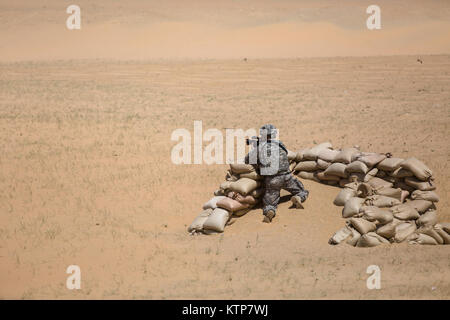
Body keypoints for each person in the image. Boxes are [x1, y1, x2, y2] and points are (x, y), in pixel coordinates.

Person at [245, 124, 309, 223]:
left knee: (269, 204)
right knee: (302, 191)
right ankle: (298, 197)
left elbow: (247, 160)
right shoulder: (280, 144)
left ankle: (270, 212)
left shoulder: (260, 147)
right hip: (287, 177)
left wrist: (256, 147)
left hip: (273, 180)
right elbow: (285, 154)